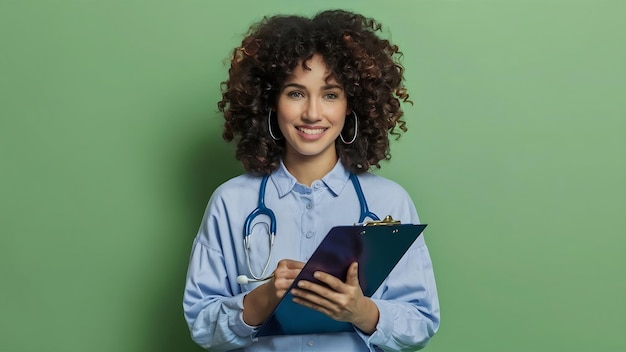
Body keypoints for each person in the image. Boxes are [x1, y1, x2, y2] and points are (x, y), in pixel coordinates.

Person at [183, 9, 440, 352]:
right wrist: (264, 298)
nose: (313, 113)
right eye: (296, 93)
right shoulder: (231, 202)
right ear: (271, 102)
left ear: (352, 105)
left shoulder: (389, 203)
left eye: (330, 94)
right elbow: (202, 326)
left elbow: (422, 320)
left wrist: (361, 311)